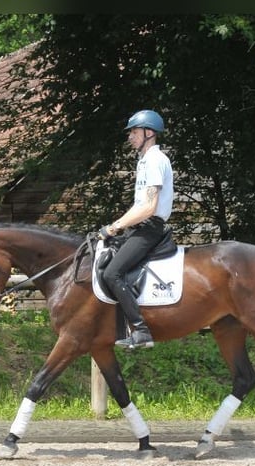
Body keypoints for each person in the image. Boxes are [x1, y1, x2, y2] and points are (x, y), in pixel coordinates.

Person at [98, 109, 174, 349]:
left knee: (112, 273)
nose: (130, 136)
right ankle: (118, 329)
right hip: (139, 226)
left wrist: (115, 226)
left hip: (149, 228)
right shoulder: (144, 161)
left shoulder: (154, 160)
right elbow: (138, 205)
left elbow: (149, 206)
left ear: (148, 132)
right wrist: (118, 227)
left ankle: (141, 331)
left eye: (133, 131)